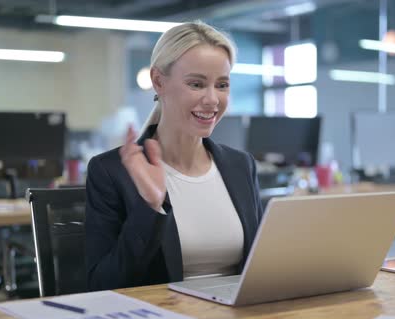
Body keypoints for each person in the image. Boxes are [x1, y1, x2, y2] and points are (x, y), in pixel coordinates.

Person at [85, 21, 263, 291]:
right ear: (159, 81)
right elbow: (102, 285)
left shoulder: (241, 165)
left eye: (222, 85)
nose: (213, 99)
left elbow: (258, 265)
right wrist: (150, 208)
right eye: (196, 84)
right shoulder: (111, 171)